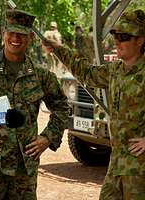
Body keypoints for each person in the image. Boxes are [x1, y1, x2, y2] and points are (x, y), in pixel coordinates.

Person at [0, 8, 69, 200]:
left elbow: (62, 107)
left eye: (21, 34)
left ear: (30, 37)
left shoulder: (41, 75)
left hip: (24, 169)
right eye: (11, 32)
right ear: (4, 33)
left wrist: (47, 138)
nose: (15, 38)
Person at [42, 9, 145, 200]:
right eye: (115, 35)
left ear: (140, 41)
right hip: (117, 163)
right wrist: (58, 49)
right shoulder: (116, 70)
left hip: (140, 168)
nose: (117, 41)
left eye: (124, 37)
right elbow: (86, 73)